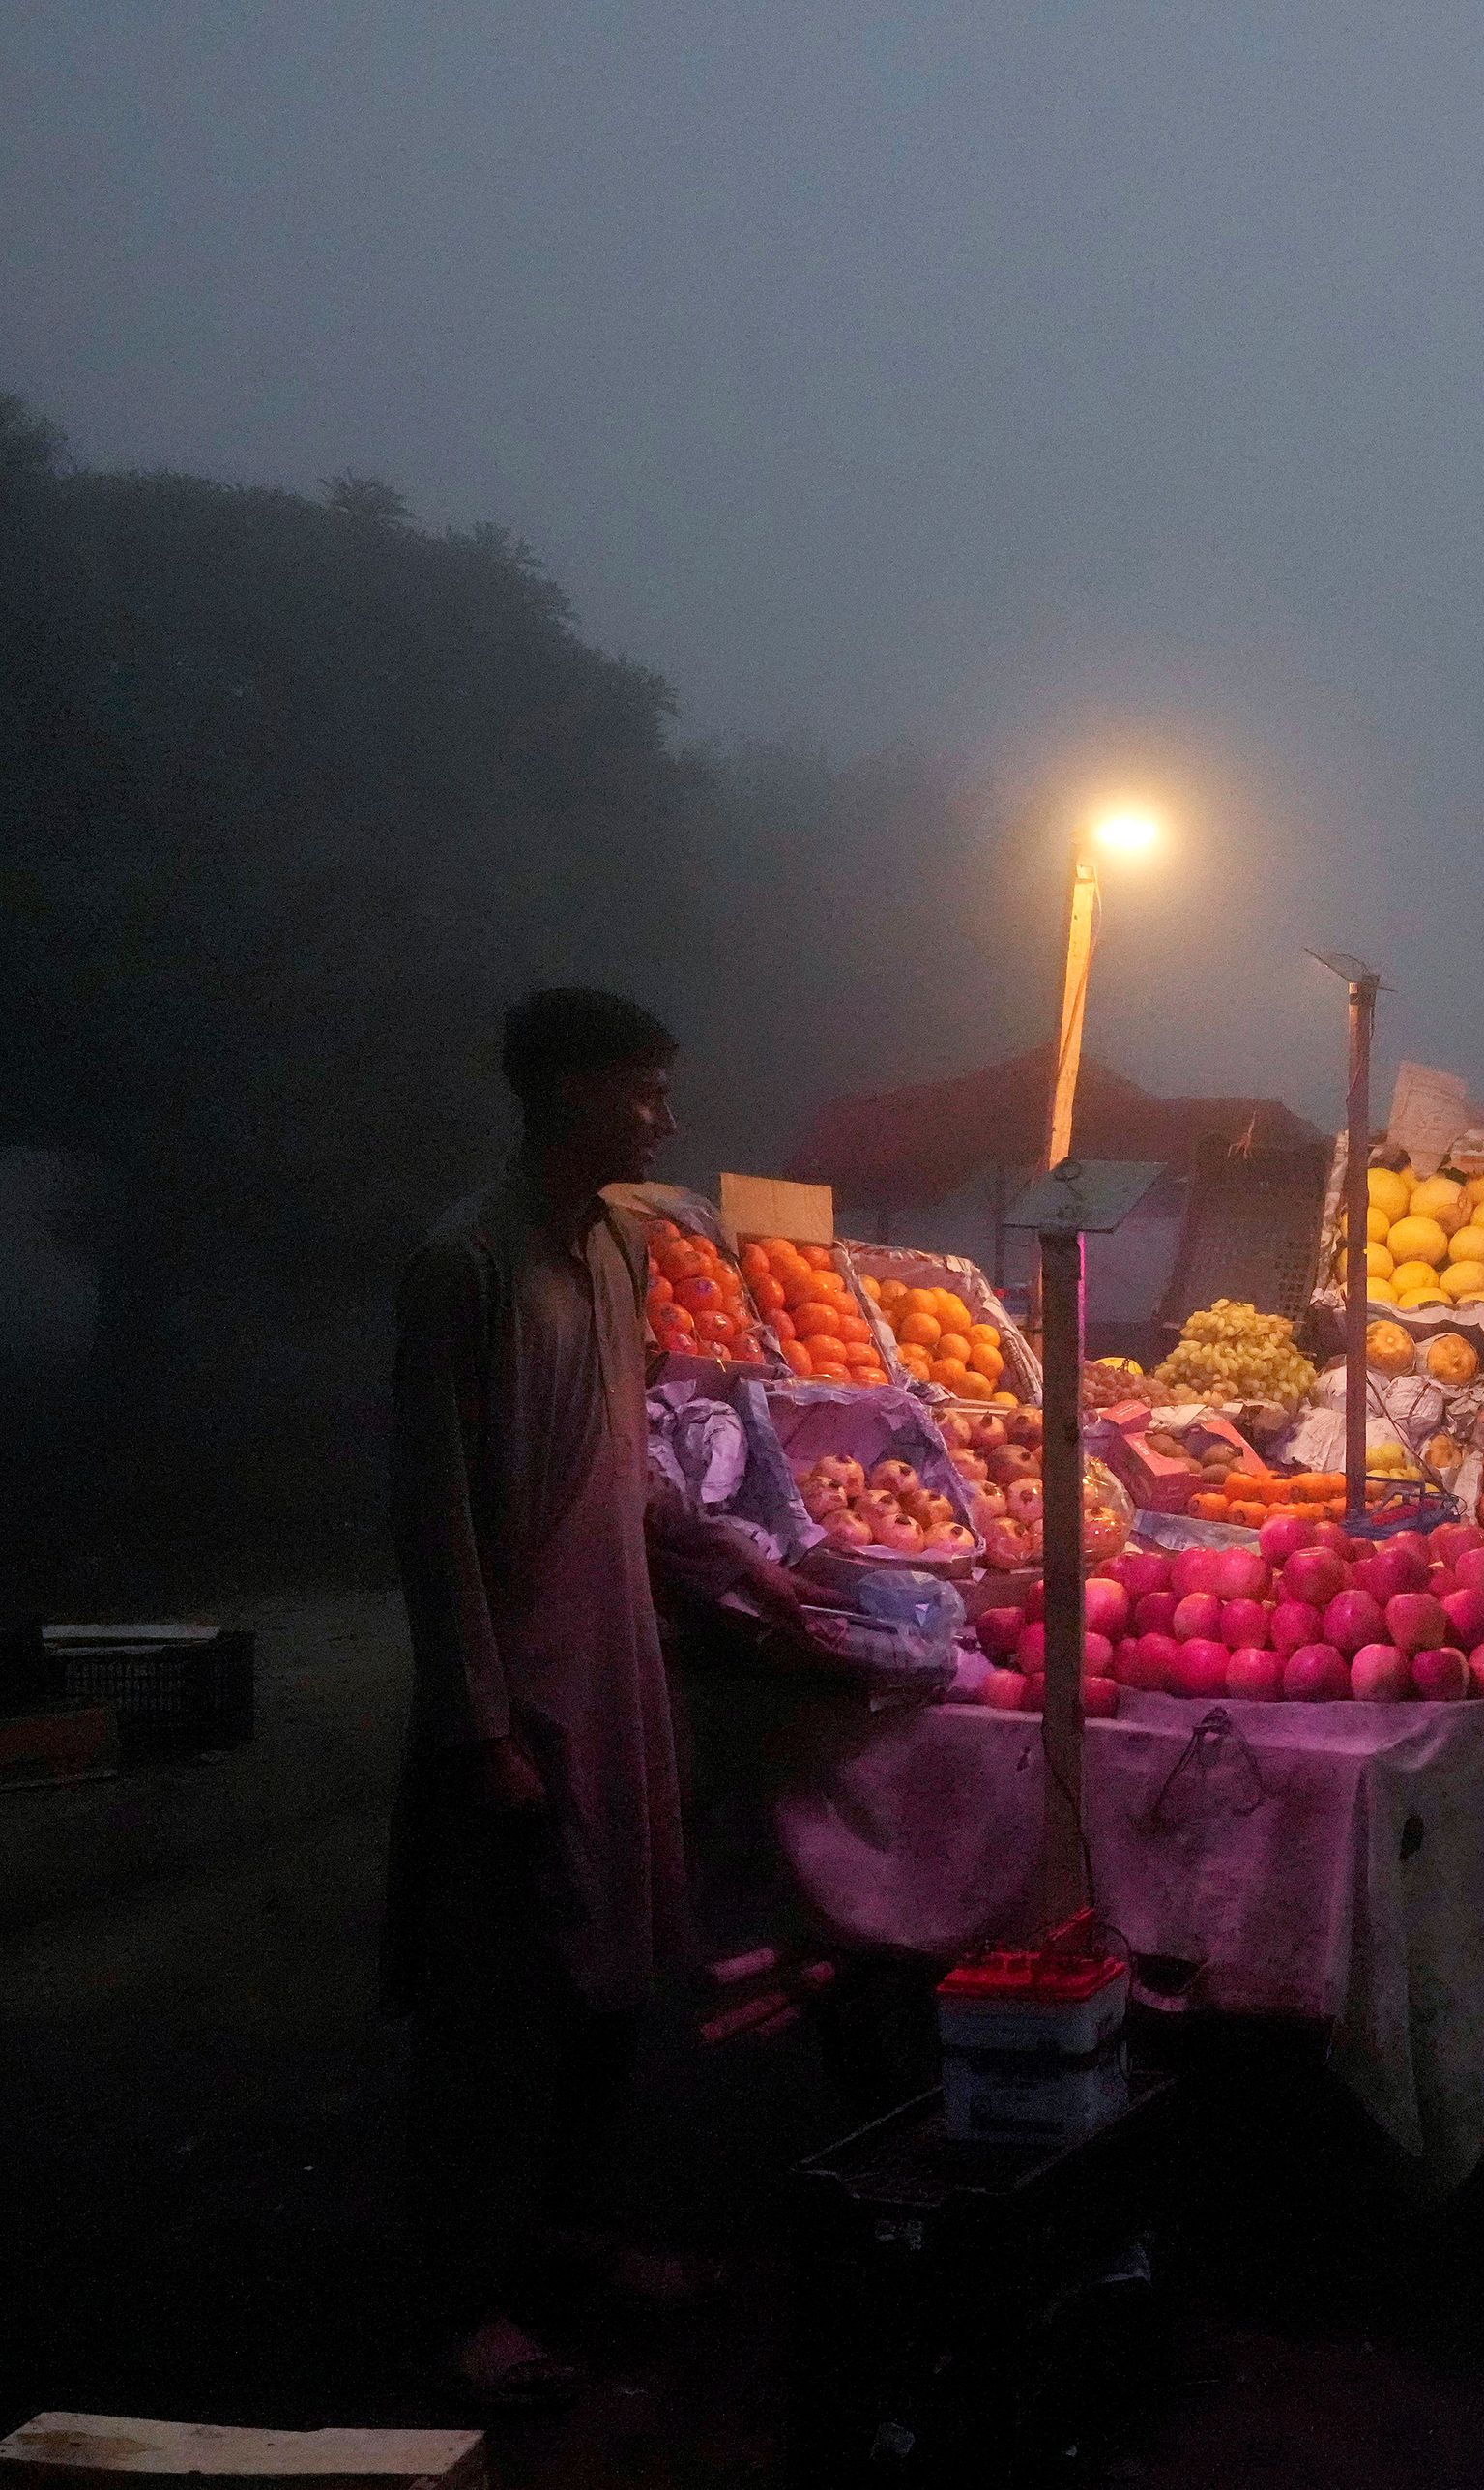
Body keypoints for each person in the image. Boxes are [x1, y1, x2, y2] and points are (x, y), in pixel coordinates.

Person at [382, 987, 809, 2409]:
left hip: (617, 1665)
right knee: (497, 2010)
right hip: (521, 1692)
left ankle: (578, 2234)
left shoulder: (614, 1251)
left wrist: (730, 1553)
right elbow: (434, 1520)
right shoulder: (467, 1266)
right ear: (568, 1095)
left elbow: (627, 1464)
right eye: (643, 1093)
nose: (666, 1119)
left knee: (608, 1984)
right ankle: (464, 2305)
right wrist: (480, 1725)